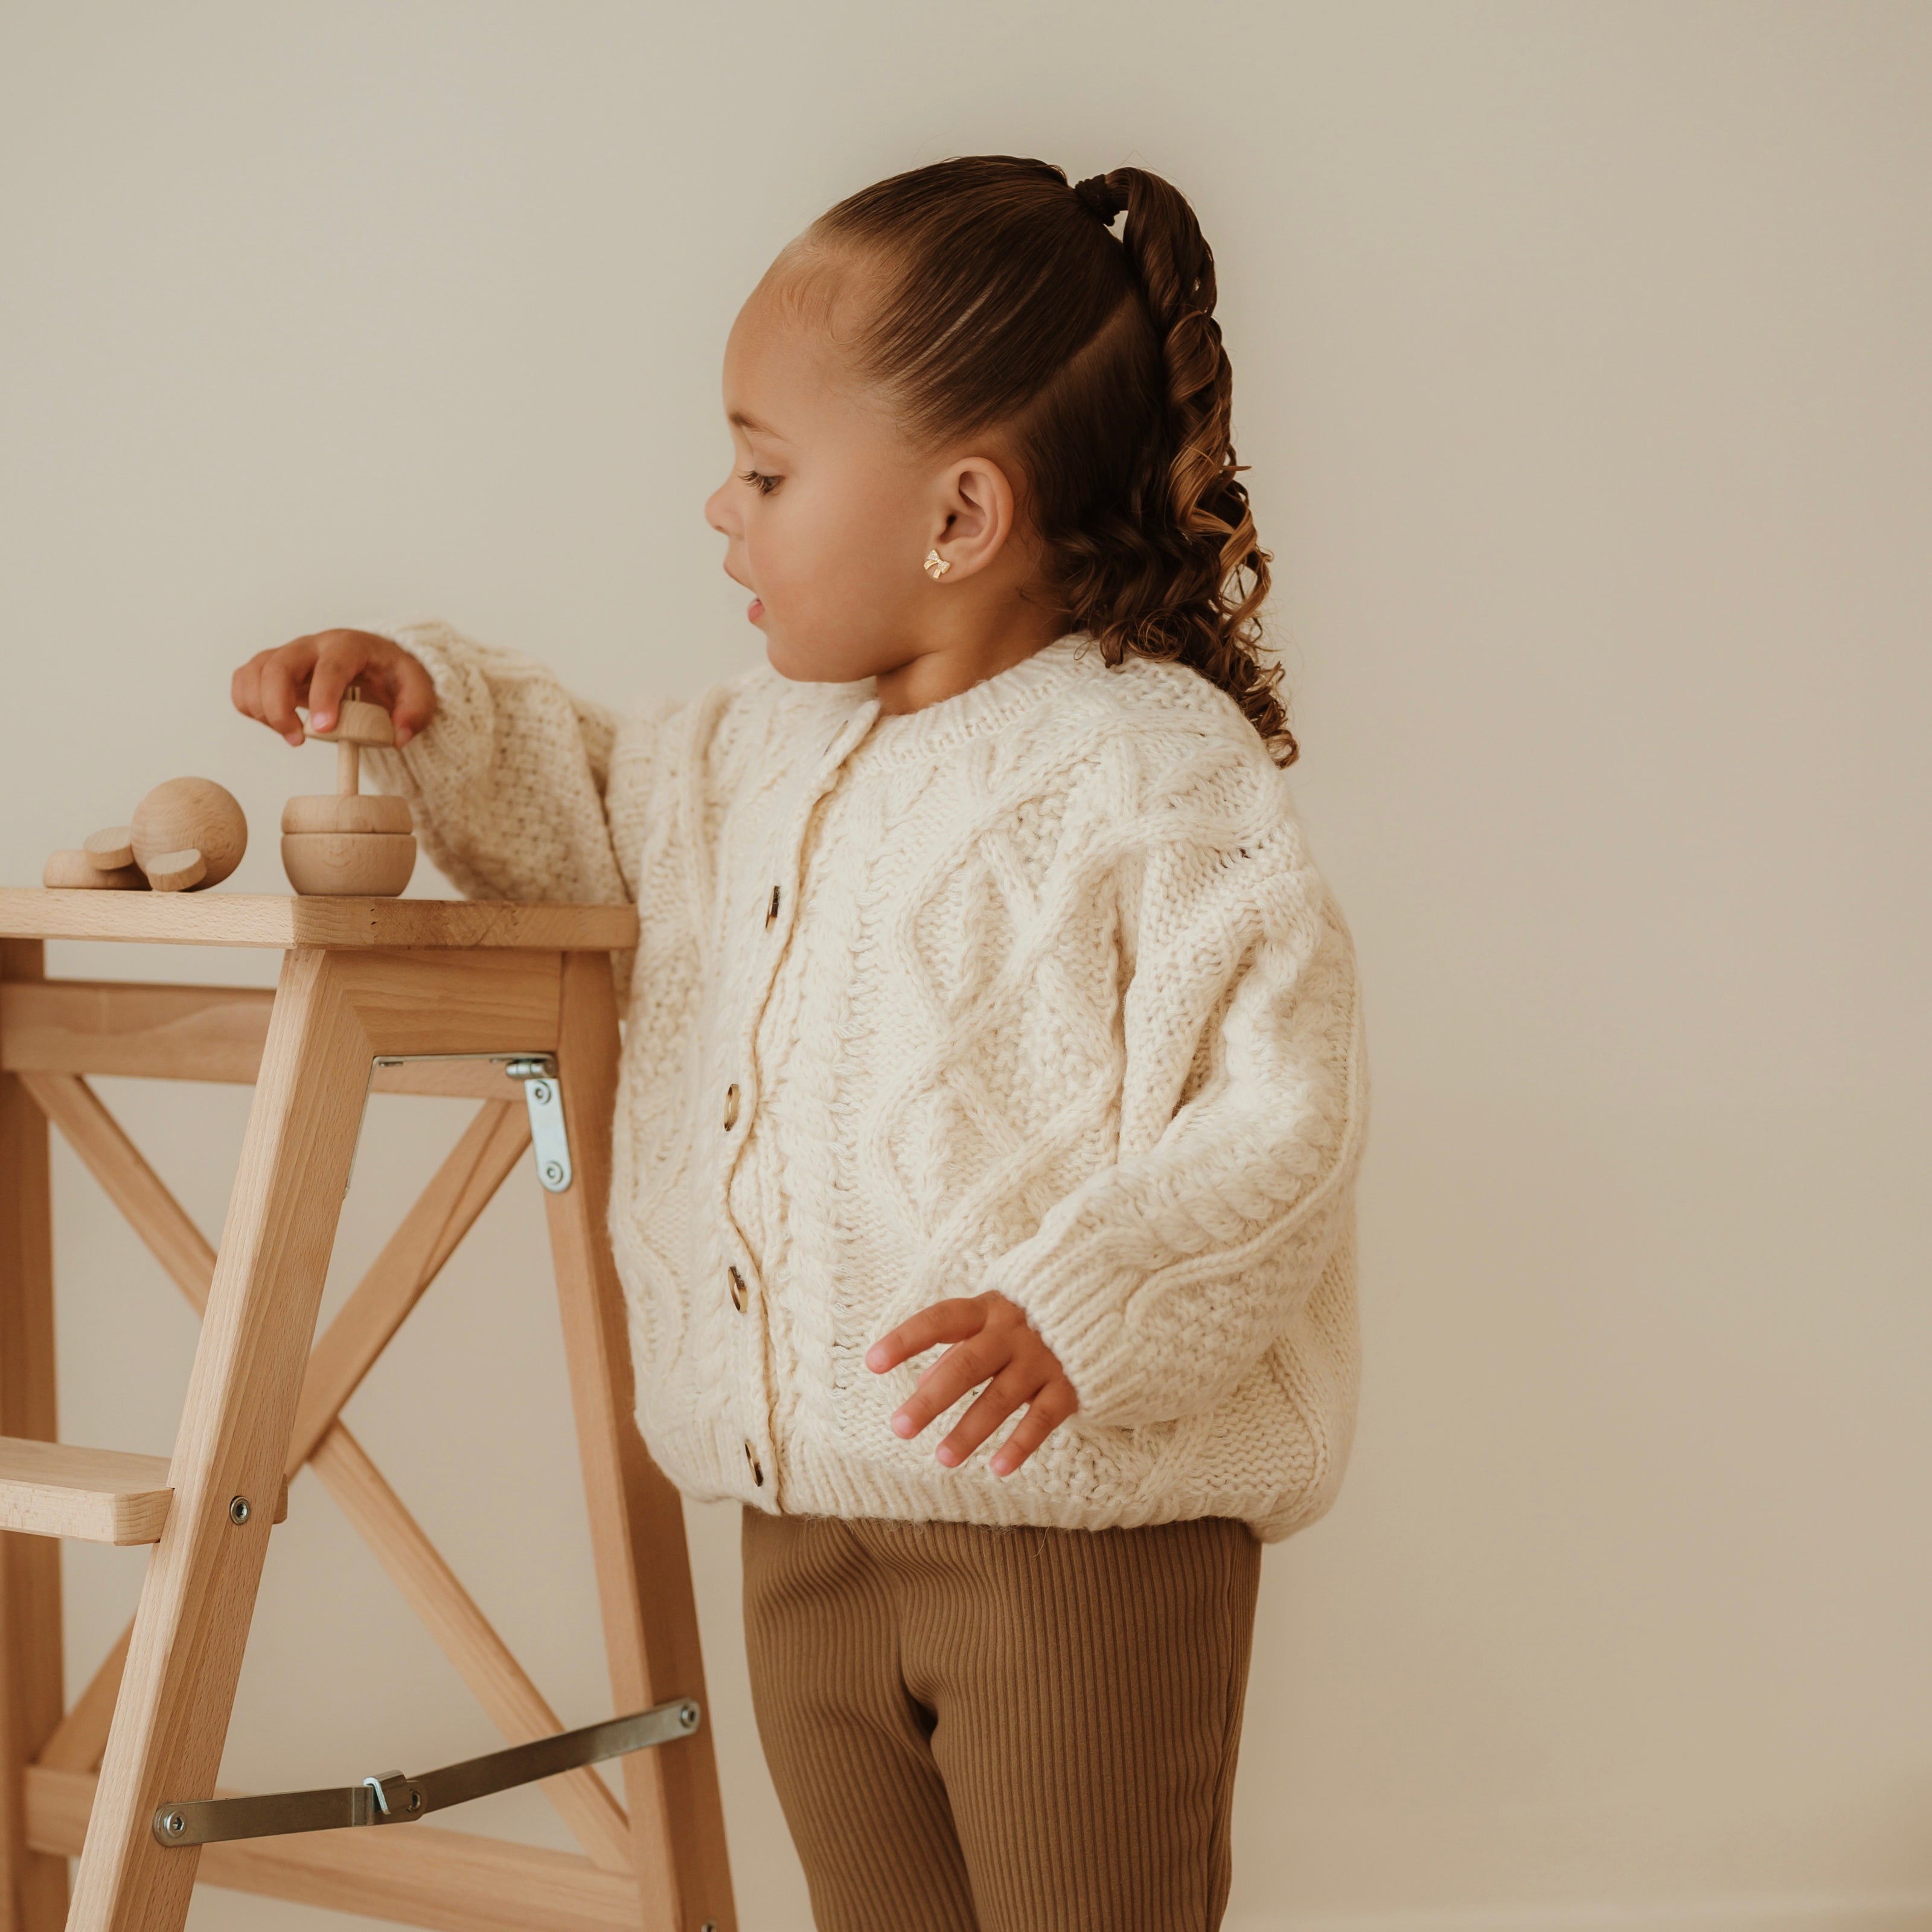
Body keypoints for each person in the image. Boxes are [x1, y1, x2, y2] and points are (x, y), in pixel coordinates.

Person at [232, 155, 1366, 1932]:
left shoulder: (1153, 771)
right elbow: (581, 812)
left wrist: (1090, 1305)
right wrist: (428, 705)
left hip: (1073, 1527)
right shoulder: (739, 755)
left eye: (765, 470)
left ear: (958, 515)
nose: (721, 507)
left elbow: (1282, 1111)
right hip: (798, 1527)